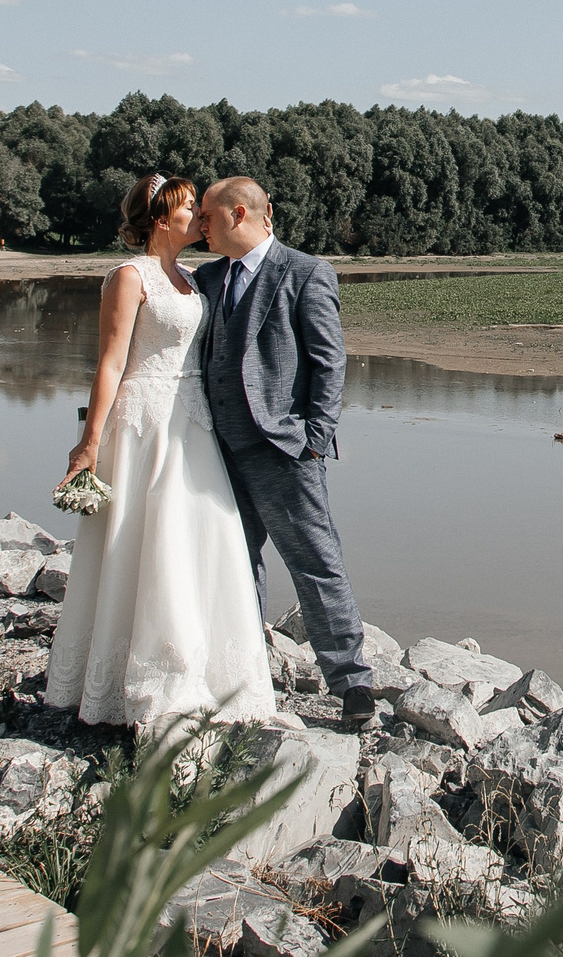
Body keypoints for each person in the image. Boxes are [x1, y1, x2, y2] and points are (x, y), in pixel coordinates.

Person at [45, 175, 272, 729]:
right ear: (161, 218)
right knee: (147, 540)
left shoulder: (193, 279)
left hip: (193, 421)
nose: (200, 215)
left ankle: (207, 671)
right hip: (145, 420)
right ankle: (142, 680)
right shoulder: (129, 276)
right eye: (191, 206)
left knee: (201, 536)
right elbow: (110, 363)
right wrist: (89, 443)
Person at [196, 175, 377, 723]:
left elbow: (329, 361)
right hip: (216, 448)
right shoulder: (207, 277)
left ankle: (352, 683)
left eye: (206, 216)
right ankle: (244, 672)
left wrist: (314, 440)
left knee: (315, 562)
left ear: (237, 214)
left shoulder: (304, 272)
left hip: (283, 447)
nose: (200, 227)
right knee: (234, 560)